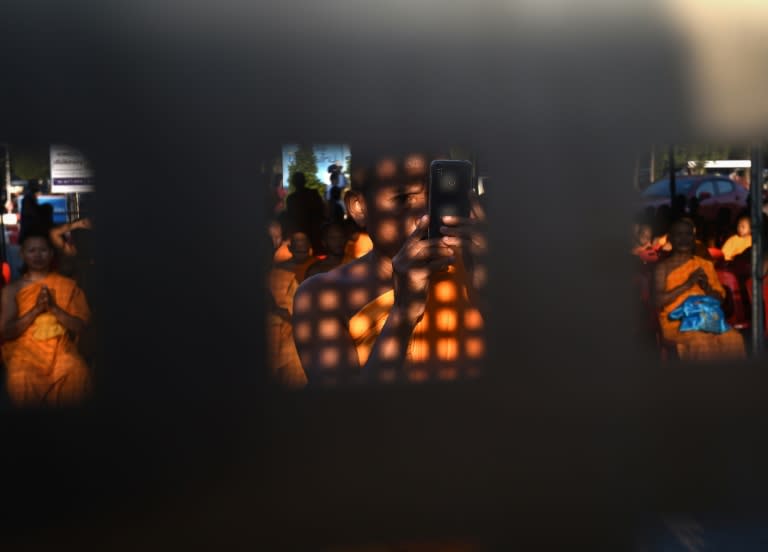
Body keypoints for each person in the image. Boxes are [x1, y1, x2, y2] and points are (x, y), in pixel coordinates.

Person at [292, 156, 487, 386]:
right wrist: (403, 311)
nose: (425, 213)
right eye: (403, 198)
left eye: (436, 195)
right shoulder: (323, 296)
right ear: (359, 207)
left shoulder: (472, 267)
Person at [1, 232, 91, 406]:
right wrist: (36, 310)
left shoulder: (67, 285)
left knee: (75, 371)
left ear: (51, 254)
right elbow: (6, 331)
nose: (37, 255)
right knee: (20, 378)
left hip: (60, 347)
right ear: (22, 254)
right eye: (32, 250)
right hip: (25, 352)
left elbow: (82, 327)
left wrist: (54, 309)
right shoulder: (12, 290)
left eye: (42, 250)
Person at [653, 218, 745, 361]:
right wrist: (688, 284)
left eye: (688, 234)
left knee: (734, 338)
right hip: (676, 321)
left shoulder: (704, 265)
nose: (684, 239)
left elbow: (720, 299)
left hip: (707, 318)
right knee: (701, 342)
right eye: (679, 234)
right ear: (670, 238)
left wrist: (707, 287)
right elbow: (657, 301)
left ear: (694, 238)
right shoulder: (662, 268)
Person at [284, 172, 326, 254]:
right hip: (314, 231)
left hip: (301, 232)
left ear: (293, 183)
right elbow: (321, 211)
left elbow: (290, 217)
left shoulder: (291, 199)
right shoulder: (313, 194)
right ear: (304, 181)